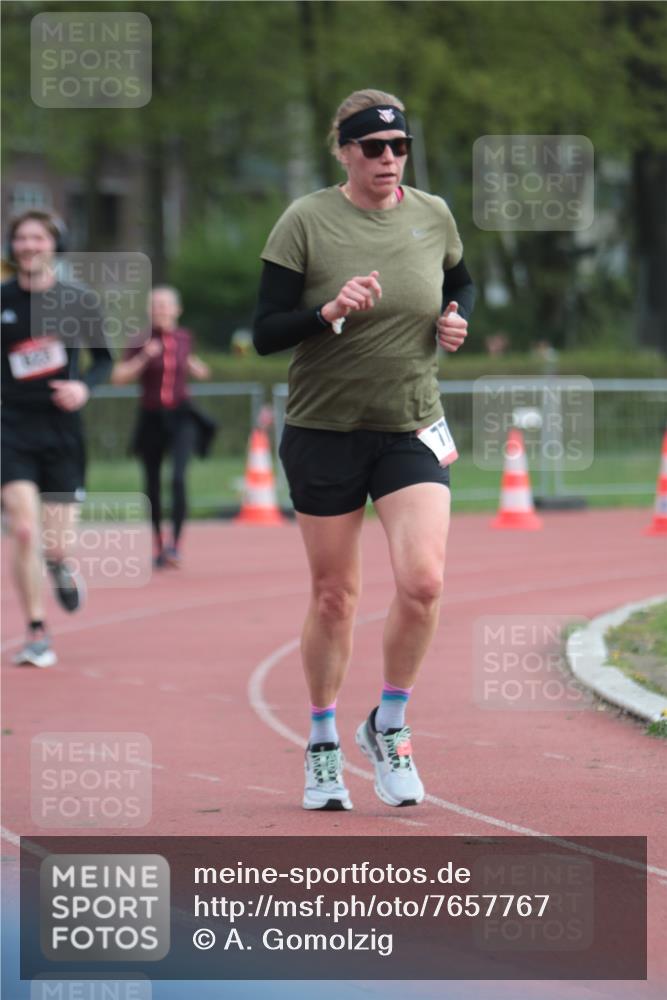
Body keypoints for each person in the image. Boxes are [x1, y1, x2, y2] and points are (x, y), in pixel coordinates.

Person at [253, 89, 475, 811]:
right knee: (335, 595)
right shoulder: (305, 221)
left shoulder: (432, 214)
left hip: (410, 425)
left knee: (423, 583)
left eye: (398, 146)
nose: (387, 159)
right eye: (372, 148)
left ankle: (389, 723)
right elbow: (263, 331)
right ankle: (321, 743)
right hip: (323, 431)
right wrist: (328, 311)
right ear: (344, 151)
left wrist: (454, 318)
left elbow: (460, 279)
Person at [1, 210, 112, 667]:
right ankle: (36, 629)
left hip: (62, 432)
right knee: (24, 528)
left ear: (53, 246)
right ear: (12, 247)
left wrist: (83, 387)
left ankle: (60, 564)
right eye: (21, 238)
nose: (29, 245)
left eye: (38, 238)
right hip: (11, 430)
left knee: (55, 542)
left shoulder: (77, 300)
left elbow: (103, 359)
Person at [112, 286, 213, 568]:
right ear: (149, 310)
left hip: (181, 416)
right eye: (156, 305)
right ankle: (158, 546)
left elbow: (195, 366)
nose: (161, 310)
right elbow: (118, 377)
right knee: (152, 485)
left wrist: (197, 367)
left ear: (177, 310)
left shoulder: (184, 338)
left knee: (179, 479)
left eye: (166, 305)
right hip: (151, 417)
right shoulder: (139, 340)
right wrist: (144, 357)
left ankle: (176, 545)